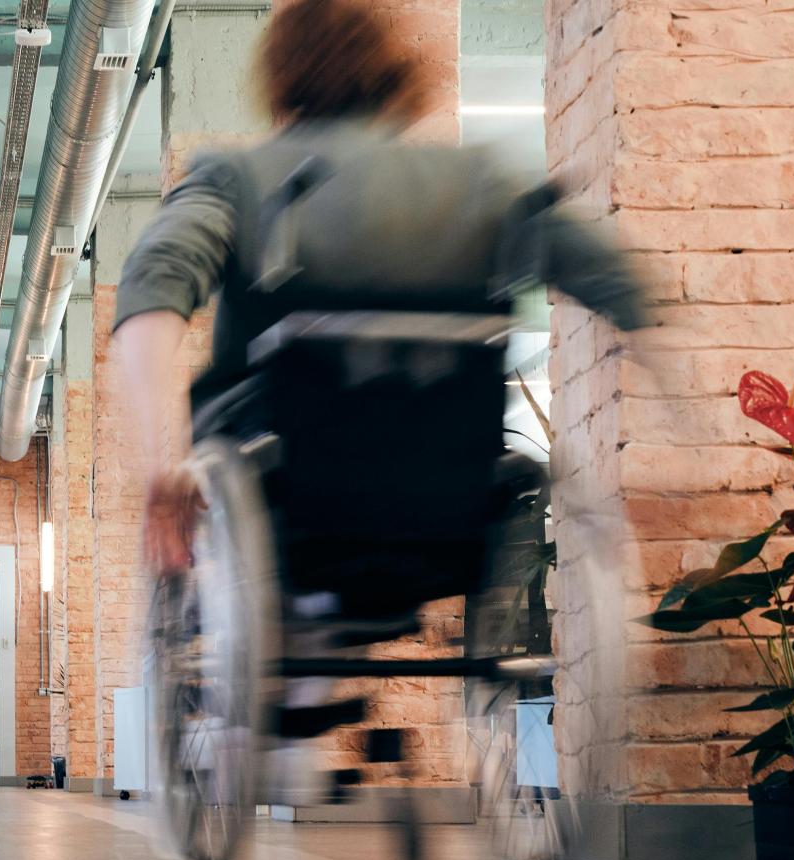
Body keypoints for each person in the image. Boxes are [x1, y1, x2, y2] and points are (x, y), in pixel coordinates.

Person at [113, 0, 652, 577]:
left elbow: (155, 282)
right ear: (387, 72)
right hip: (448, 474)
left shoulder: (239, 178)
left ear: (280, 75)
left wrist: (158, 464)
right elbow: (610, 276)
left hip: (282, 471)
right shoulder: (479, 180)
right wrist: (676, 397)